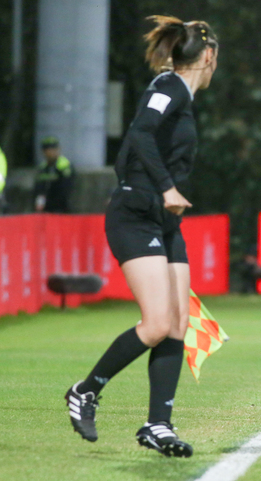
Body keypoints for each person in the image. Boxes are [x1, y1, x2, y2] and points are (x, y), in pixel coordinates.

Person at [65, 15, 218, 457]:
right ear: (208, 57)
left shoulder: (179, 95)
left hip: (163, 220)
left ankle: (158, 425)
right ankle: (86, 390)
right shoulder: (168, 86)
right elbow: (140, 134)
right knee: (155, 324)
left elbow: (139, 143)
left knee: (177, 325)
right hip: (136, 216)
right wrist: (164, 188)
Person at [33, 137, 74, 212]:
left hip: (62, 209)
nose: (50, 153)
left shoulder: (64, 166)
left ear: (58, 150)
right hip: (46, 210)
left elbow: (66, 190)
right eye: (47, 150)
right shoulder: (43, 168)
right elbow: (39, 188)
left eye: (53, 149)